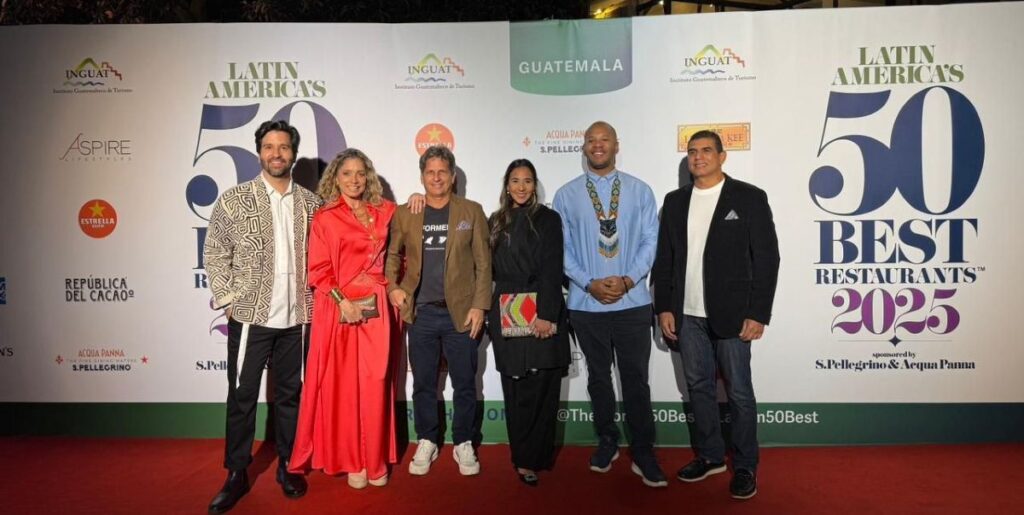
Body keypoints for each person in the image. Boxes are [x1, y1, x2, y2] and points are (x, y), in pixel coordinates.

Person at [652, 130, 780, 500]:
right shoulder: (674, 201)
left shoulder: (749, 197)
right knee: (698, 387)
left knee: (738, 391)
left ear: (722, 157)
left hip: (733, 315)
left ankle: (745, 465)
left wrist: (758, 313)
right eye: (693, 151)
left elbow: (767, 258)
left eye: (707, 150)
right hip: (687, 314)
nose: (699, 157)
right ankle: (710, 456)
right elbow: (665, 259)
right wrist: (664, 307)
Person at [204, 120, 321, 513]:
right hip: (252, 317)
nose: (276, 154)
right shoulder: (235, 200)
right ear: (259, 152)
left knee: (291, 396)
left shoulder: (312, 204)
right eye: (269, 147)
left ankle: (288, 464)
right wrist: (229, 298)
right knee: (242, 397)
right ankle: (236, 472)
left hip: (297, 320)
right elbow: (215, 251)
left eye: (284, 147)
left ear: (293, 153)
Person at [552, 121, 666, 488]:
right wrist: (589, 283)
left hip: (632, 303)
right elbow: (561, 249)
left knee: (635, 380)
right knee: (598, 378)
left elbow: (651, 240)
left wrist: (629, 279)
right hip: (586, 304)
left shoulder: (640, 190)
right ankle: (607, 440)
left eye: (605, 140)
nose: (598, 146)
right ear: (583, 147)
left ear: (617, 145)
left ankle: (643, 450)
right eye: (591, 140)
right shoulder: (566, 195)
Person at [287, 149, 400, 489]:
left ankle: (375, 459)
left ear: (369, 177)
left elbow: (403, 249)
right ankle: (353, 460)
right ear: (335, 178)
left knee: (376, 383)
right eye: (347, 173)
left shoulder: (386, 212)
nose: (354, 180)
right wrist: (342, 303)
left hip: (377, 310)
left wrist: (417, 199)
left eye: (360, 173)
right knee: (345, 388)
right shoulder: (326, 218)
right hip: (339, 311)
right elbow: (318, 270)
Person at [384, 145, 492, 476]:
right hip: (422, 314)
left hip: (461, 313)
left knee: (465, 382)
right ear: (422, 177)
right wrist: (393, 287)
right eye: (430, 172)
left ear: (453, 175)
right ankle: (427, 439)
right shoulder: (407, 212)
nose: (436, 178)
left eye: (442, 172)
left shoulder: (471, 211)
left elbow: (483, 264)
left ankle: (464, 441)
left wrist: (480, 305)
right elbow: (392, 255)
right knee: (423, 384)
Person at [487, 159, 570, 487]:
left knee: (542, 386)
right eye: (515, 181)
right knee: (516, 388)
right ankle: (522, 458)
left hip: (541, 309)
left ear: (534, 186)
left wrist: (547, 314)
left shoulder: (548, 219)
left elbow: (553, 266)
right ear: (507, 186)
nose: (521, 187)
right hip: (506, 309)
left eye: (527, 181)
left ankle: (538, 455)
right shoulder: (495, 221)